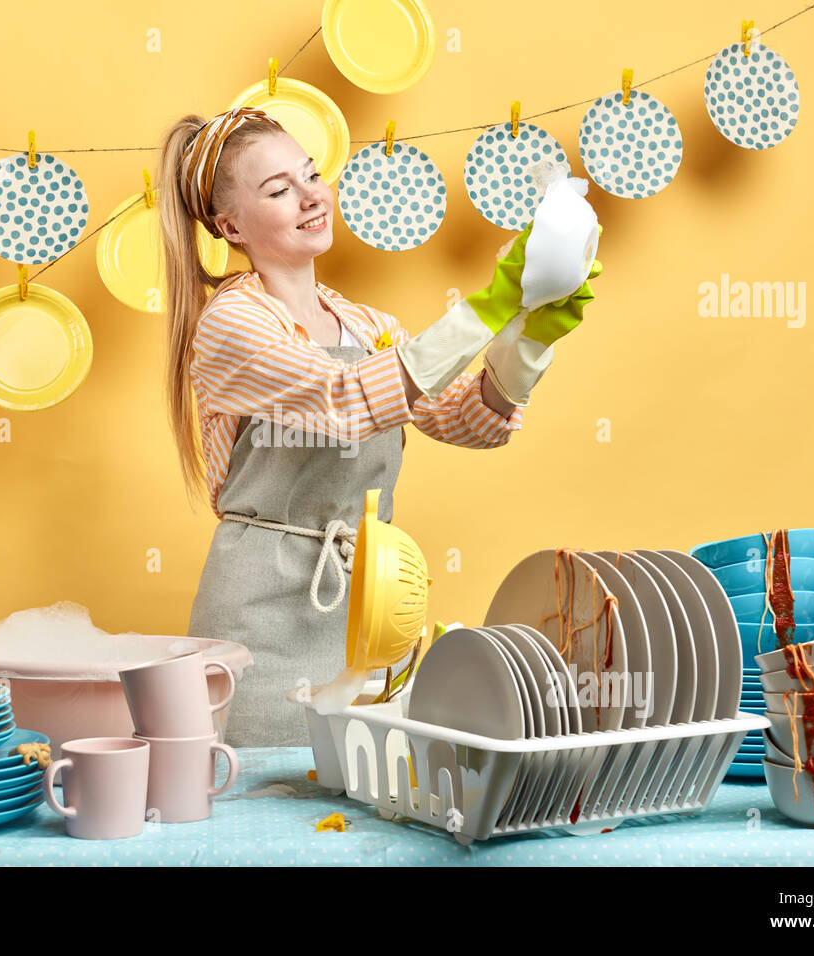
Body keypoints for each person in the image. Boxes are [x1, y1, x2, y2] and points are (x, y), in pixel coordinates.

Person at [158, 107, 601, 746]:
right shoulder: (233, 325)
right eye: (280, 190)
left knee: (366, 787)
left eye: (311, 174)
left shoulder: (370, 328)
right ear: (230, 225)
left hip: (370, 603)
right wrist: (488, 305)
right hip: (263, 615)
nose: (312, 196)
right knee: (267, 804)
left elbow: (471, 422)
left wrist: (527, 338)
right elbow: (343, 402)